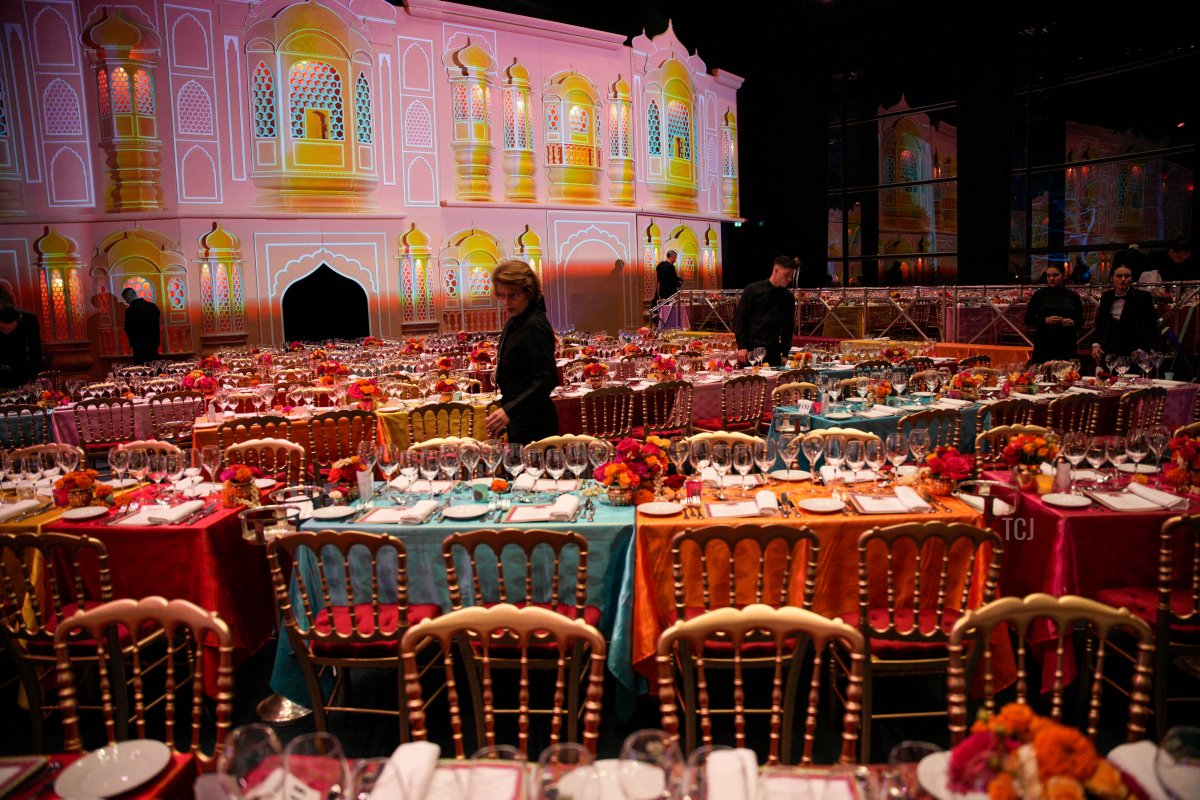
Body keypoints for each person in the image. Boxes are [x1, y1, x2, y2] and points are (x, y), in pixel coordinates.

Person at [485, 259, 559, 445]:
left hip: (537, 423)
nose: (506, 303)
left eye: (513, 295)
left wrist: (510, 410)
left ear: (528, 292)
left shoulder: (534, 324)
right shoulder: (517, 319)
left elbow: (547, 378)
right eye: (501, 296)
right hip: (521, 417)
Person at [733, 255, 797, 367]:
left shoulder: (788, 297)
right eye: (786, 275)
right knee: (750, 382)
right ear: (776, 270)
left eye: (791, 276)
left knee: (774, 383)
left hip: (773, 350)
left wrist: (785, 353)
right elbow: (740, 318)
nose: (789, 279)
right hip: (751, 348)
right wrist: (742, 346)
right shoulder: (753, 290)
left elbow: (788, 327)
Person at [1091, 263, 1157, 364]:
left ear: (1131, 279)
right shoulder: (1106, 297)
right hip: (1108, 349)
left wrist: (1142, 349)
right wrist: (1096, 344)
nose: (1123, 279)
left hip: (1133, 351)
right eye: (1119, 276)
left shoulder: (1143, 297)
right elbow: (1100, 324)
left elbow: (1151, 326)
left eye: (1127, 276)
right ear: (1112, 278)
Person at [1024, 263, 1083, 364]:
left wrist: (1072, 322)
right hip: (1044, 342)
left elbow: (1081, 320)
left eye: (1055, 275)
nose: (1051, 278)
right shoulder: (1039, 295)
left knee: (1066, 375)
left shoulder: (1073, 296)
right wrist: (1045, 320)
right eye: (1048, 276)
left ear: (1063, 276)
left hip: (1066, 342)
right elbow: (1028, 319)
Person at [0, 286, 41, 389]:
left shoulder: (29, 320)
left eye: (9, 328)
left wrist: (31, 380)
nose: (5, 330)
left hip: (23, 379)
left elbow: (35, 353)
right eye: (1, 327)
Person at [122, 287, 161, 364]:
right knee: (155, 368)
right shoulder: (153, 307)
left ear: (128, 296)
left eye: (125, 299)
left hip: (139, 348)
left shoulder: (130, 311)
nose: (126, 302)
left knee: (141, 370)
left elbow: (128, 329)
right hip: (153, 345)